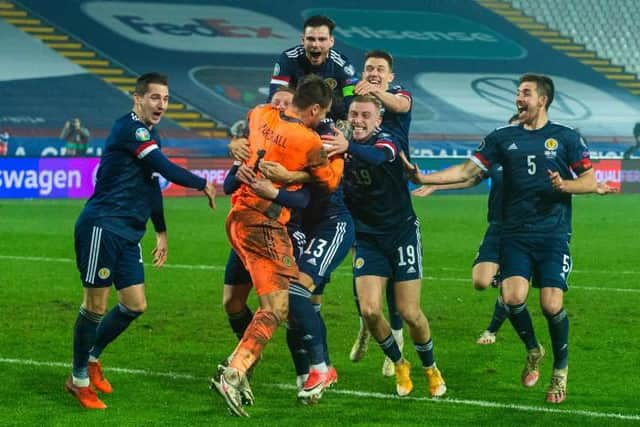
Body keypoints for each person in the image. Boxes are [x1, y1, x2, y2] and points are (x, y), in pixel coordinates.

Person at [401, 73, 616, 404]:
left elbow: (589, 181)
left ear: (542, 99)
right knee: (513, 298)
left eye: (526, 93)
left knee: (550, 304)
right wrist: (424, 176)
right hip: (514, 233)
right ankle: (533, 349)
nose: (519, 98)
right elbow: (467, 172)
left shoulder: (567, 137)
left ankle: (560, 369)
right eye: (518, 93)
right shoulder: (501, 138)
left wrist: (565, 186)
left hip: (552, 234)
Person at [65, 72, 216, 410]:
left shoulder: (151, 134)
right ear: (138, 98)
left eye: (165, 98)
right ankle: (77, 379)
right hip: (102, 226)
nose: (161, 104)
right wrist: (200, 181)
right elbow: (164, 167)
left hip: (129, 232)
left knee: (135, 305)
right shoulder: (129, 128)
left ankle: (92, 358)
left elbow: (152, 183)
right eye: (155, 97)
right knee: (95, 307)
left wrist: (160, 231)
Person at [211, 75, 343, 417]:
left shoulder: (259, 114)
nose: (320, 118)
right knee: (277, 307)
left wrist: (238, 148)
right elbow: (327, 182)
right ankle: (235, 371)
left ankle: (238, 367)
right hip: (264, 222)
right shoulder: (309, 140)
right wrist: (315, 166)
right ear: (314, 109)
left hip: (239, 216)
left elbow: (254, 141)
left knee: (250, 303)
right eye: (321, 112)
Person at [323, 95, 447, 398]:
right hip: (367, 239)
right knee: (369, 310)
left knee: (409, 312)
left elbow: (380, 157)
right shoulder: (338, 148)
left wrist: (347, 147)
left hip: (401, 233)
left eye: (366, 115)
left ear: (378, 120)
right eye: (354, 114)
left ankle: (430, 367)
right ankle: (399, 363)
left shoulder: (388, 140)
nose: (359, 120)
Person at [349, 50, 413, 376]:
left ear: (390, 75)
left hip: (390, 188)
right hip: (358, 189)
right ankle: (366, 326)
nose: (373, 73)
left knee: (394, 283)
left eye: (380, 69)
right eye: (369, 68)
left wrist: (369, 90)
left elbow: (400, 107)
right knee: (360, 277)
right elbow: (336, 103)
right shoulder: (352, 93)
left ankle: (395, 342)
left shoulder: (399, 94)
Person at [269, 15, 357, 120]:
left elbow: (351, 101)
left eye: (322, 39)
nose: (315, 44)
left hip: (330, 118)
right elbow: (276, 94)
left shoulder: (343, 65)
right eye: (311, 39)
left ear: (331, 41)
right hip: (295, 117)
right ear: (303, 40)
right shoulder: (288, 58)